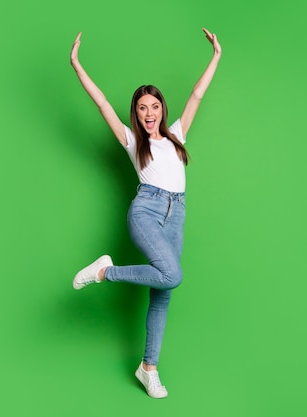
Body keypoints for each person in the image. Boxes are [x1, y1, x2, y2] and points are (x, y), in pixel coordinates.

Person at [69, 28, 221, 399]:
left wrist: (216, 54)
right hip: (147, 211)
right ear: (136, 113)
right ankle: (104, 271)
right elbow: (102, 103)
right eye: (142, 107)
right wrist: (76, 64)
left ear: (162, 110)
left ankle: (148, 368)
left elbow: (198, 93)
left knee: (163, 290)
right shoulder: (132, 141)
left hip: (178, 213)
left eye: (154, 106)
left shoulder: (177, 135)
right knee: (172, 275)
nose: (149, 113)